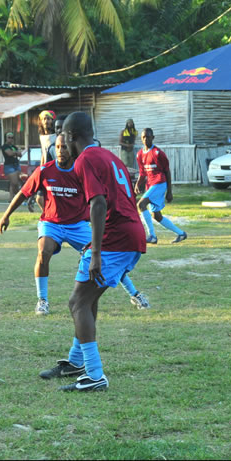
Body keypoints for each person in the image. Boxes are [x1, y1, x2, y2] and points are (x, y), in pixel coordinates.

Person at [42, 112, 146, 392]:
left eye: (62, 132)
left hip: (116, 236)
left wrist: (97, 252)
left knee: (77, 303)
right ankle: (77, 362)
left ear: (72, 136)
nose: (59, 137)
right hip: (130, 232)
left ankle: (95, 374)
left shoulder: (86, 159)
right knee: (87, 300)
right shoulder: (108, 156)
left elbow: (98, 204)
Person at [0, 134, 150, 317]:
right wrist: (6, 216)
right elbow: (23, 193)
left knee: (104, 257)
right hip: (51, 223)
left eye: (64, 147)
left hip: (78, 225)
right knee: (43, 252)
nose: (61, 151)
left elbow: (96, 200)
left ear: (72, 149)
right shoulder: (44, 171)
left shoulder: (81, 171)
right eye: (58, 147)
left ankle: (135, 294)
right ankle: (42, 300)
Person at [135, 128, 187, 244]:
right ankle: (181, 233)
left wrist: (169, 191)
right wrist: (137, 184)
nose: (145, 139)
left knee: (141, 204)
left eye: (148, 137)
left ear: (153, 138)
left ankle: (152, 236)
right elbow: (143, 173)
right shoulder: (139, 155)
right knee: (156, 216)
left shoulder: (158, 153)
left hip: (159, 183)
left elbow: (167, 172)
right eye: (143, 137)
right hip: (151, 185)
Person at [1, 132, 23, 202]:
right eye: (9, 137)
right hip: (9, 165)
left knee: (13, 184)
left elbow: (20, 154)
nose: (10, 139)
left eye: (12, 137)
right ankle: (19, 197)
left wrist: (15, 152)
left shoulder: (14, 147)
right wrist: (16, 152)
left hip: (16, 164)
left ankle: (11, 199)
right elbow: (9, 153)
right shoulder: (4, 146)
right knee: (15, 182)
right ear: (6, 138)